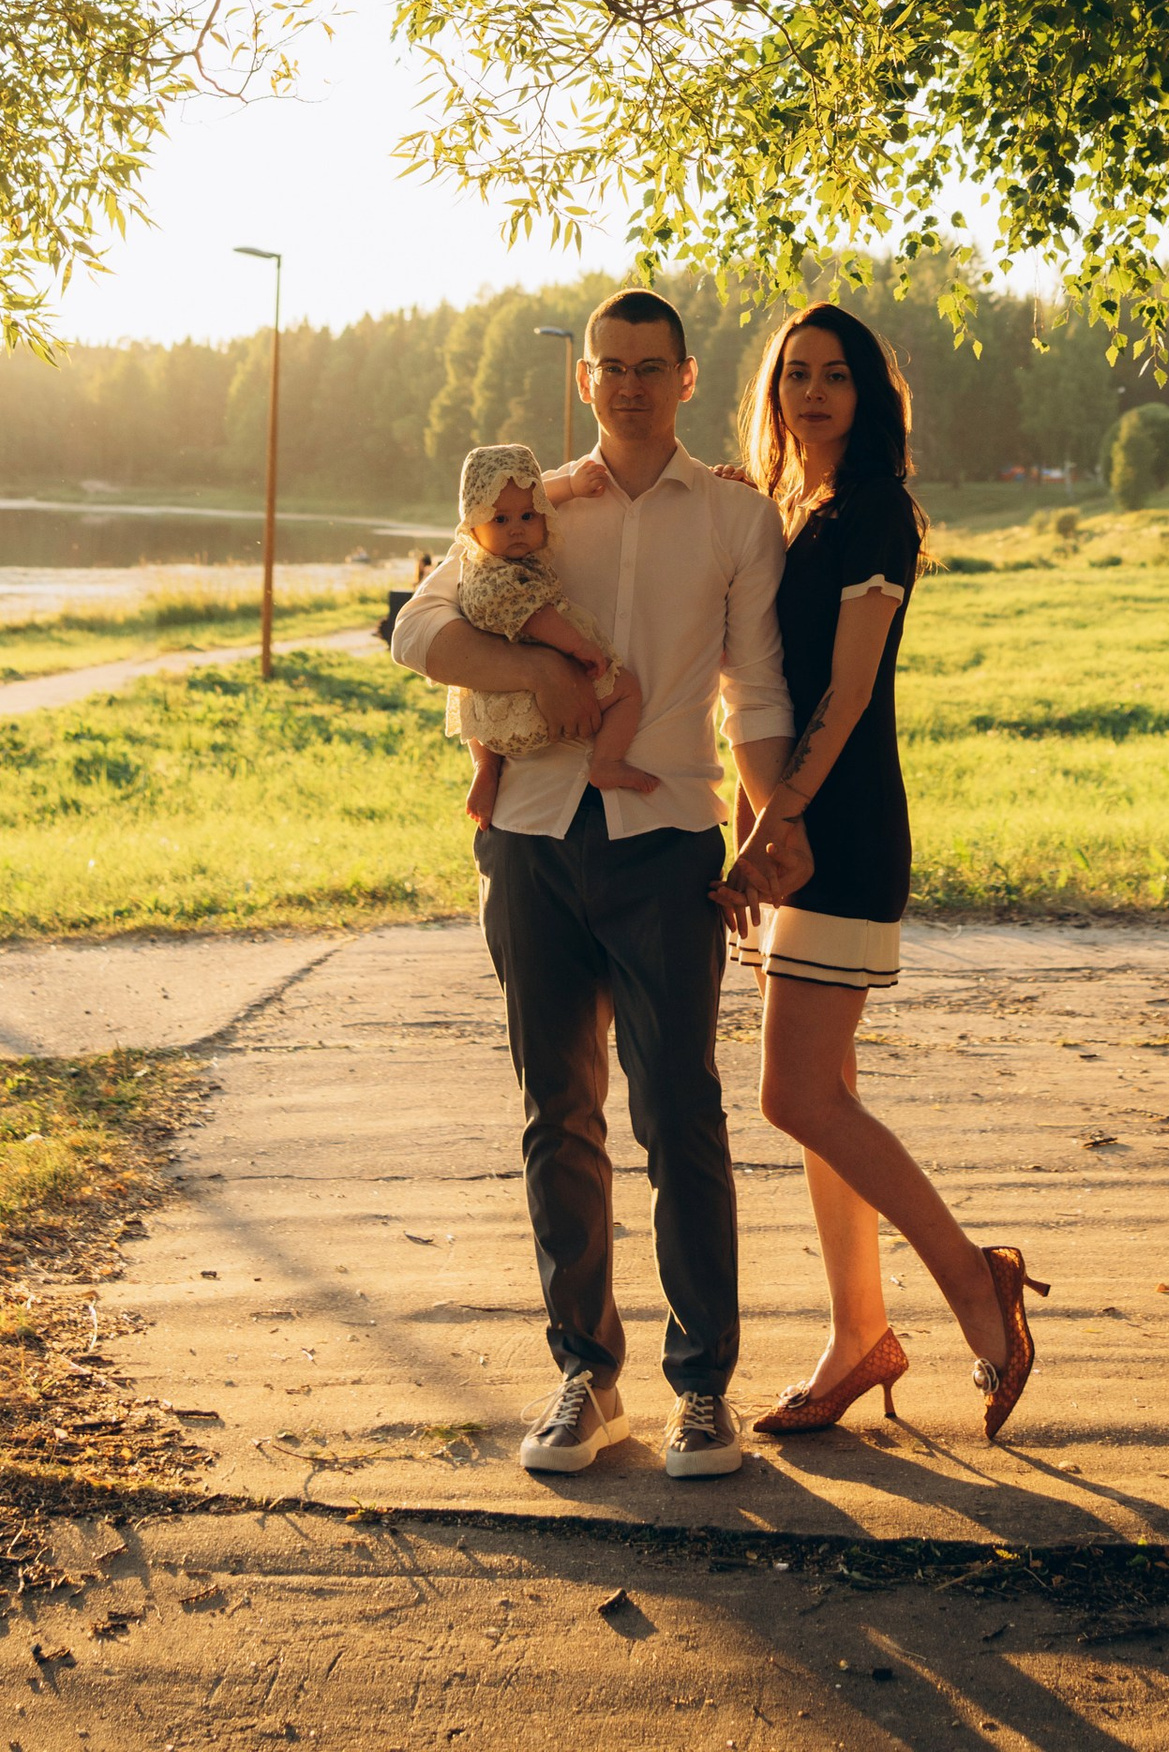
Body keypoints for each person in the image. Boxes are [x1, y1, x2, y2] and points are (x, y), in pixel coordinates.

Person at [389, 290, 800, 1484]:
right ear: (583, 381)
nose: (627, 384)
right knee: (554, 1116)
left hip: (667, 835)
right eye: (607, 366)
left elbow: (757, 693)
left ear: (683, 377)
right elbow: (417, 633)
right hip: (529, 839)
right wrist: (534, 670)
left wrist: (774, 824)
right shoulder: (534, 509)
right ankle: (587, 1375)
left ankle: (702, 1390)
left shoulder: (734, 516)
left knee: (680, 1115)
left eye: (648, 366)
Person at [720, 303, 1046, 1445]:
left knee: (794, 1094)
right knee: (825, 1101)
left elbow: (847, 693)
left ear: (871, 397)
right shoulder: (790, 512)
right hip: (792, 823)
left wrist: (777, 824)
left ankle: (972, 1282)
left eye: (837, 376)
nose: (812, 393)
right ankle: (858, 1334)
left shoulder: (872, 518)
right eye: (795, 375)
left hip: (838, 827)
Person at [444, 443, 657, 826]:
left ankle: (486, 767)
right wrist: (583, 648)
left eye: (528, 516)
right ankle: (607, 762)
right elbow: (538, 620)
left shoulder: (473, 566)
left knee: (468, 687)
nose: (517, 530)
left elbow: (538, 494)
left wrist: (571, 486)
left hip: (491, 718)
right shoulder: (504, 577)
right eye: (500, 521)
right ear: (472, 523)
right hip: (538, 710)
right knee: (626, 689)